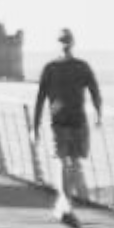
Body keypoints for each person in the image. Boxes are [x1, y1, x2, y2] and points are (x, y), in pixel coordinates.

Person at [33, 28, 103, 227]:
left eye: (66, 41)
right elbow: (40, 98)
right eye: (61, 41)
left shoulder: (82, 66)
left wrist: (98, 113)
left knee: (73, 164)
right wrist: (34, 127)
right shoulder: (50, 68)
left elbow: (95, 91)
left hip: (78, 122)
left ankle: (61, 205)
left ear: (72, 43)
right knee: (63, 163)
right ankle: (66, 206)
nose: (64, 44)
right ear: (57, 44)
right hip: (58, 124)